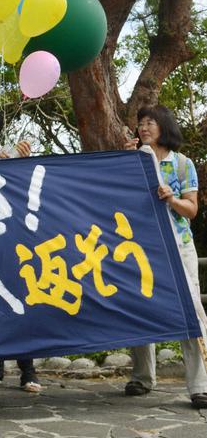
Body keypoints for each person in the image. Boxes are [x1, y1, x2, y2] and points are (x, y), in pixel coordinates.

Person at [123, 105, 207, 410]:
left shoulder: (182, 165)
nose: (143, 127)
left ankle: (200, 386)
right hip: (142, 247)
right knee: (141, 305)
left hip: (179, 245)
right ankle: (142, 377)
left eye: (150, 122)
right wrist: (123, 161)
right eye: (140, 122)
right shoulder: (132, 160)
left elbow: (192, 210)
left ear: (164, 126)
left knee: (192, 310)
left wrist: (171, 199)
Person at [0, 104, 41, 394]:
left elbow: (25, 191)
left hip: (7, 242)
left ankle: (28, 370)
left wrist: (18, 162)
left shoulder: (9, 153)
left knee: (17, 302)